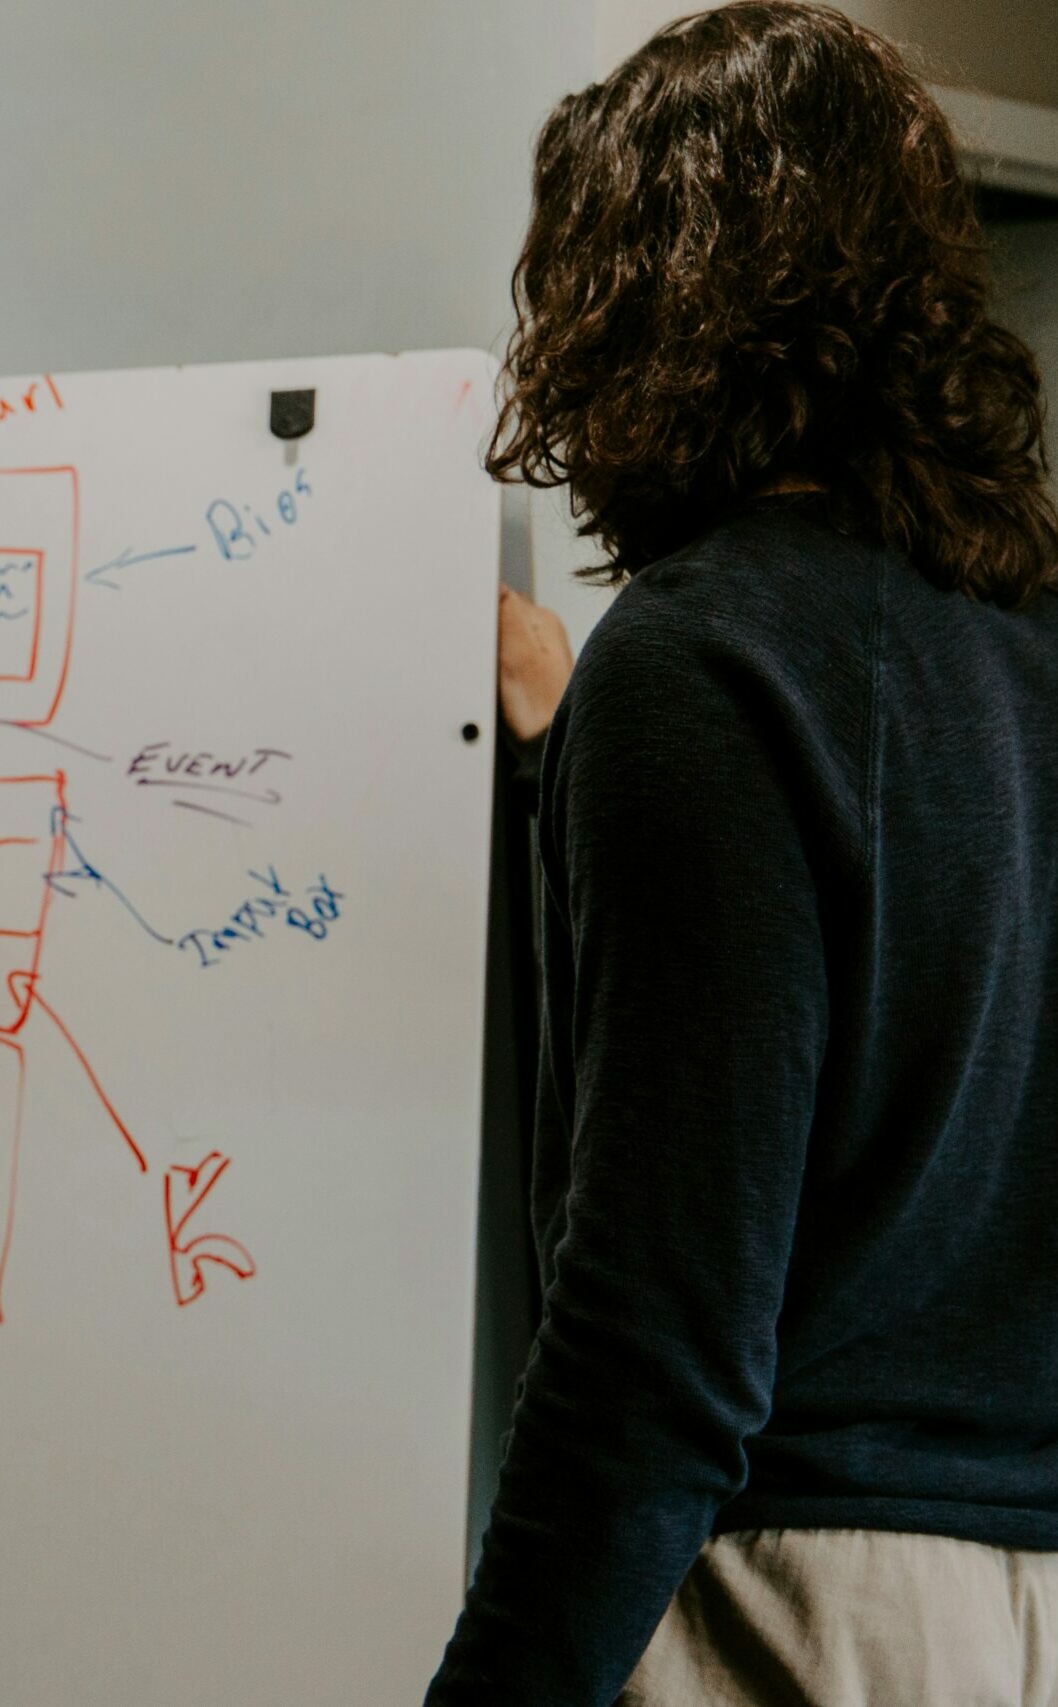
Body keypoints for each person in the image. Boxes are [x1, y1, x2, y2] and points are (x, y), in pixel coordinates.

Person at [429, 5, 1058, 1703]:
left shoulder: (702, 659)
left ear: (647, 297)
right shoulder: (1022, 644)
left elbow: (657, 1353)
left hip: (798, 1610)